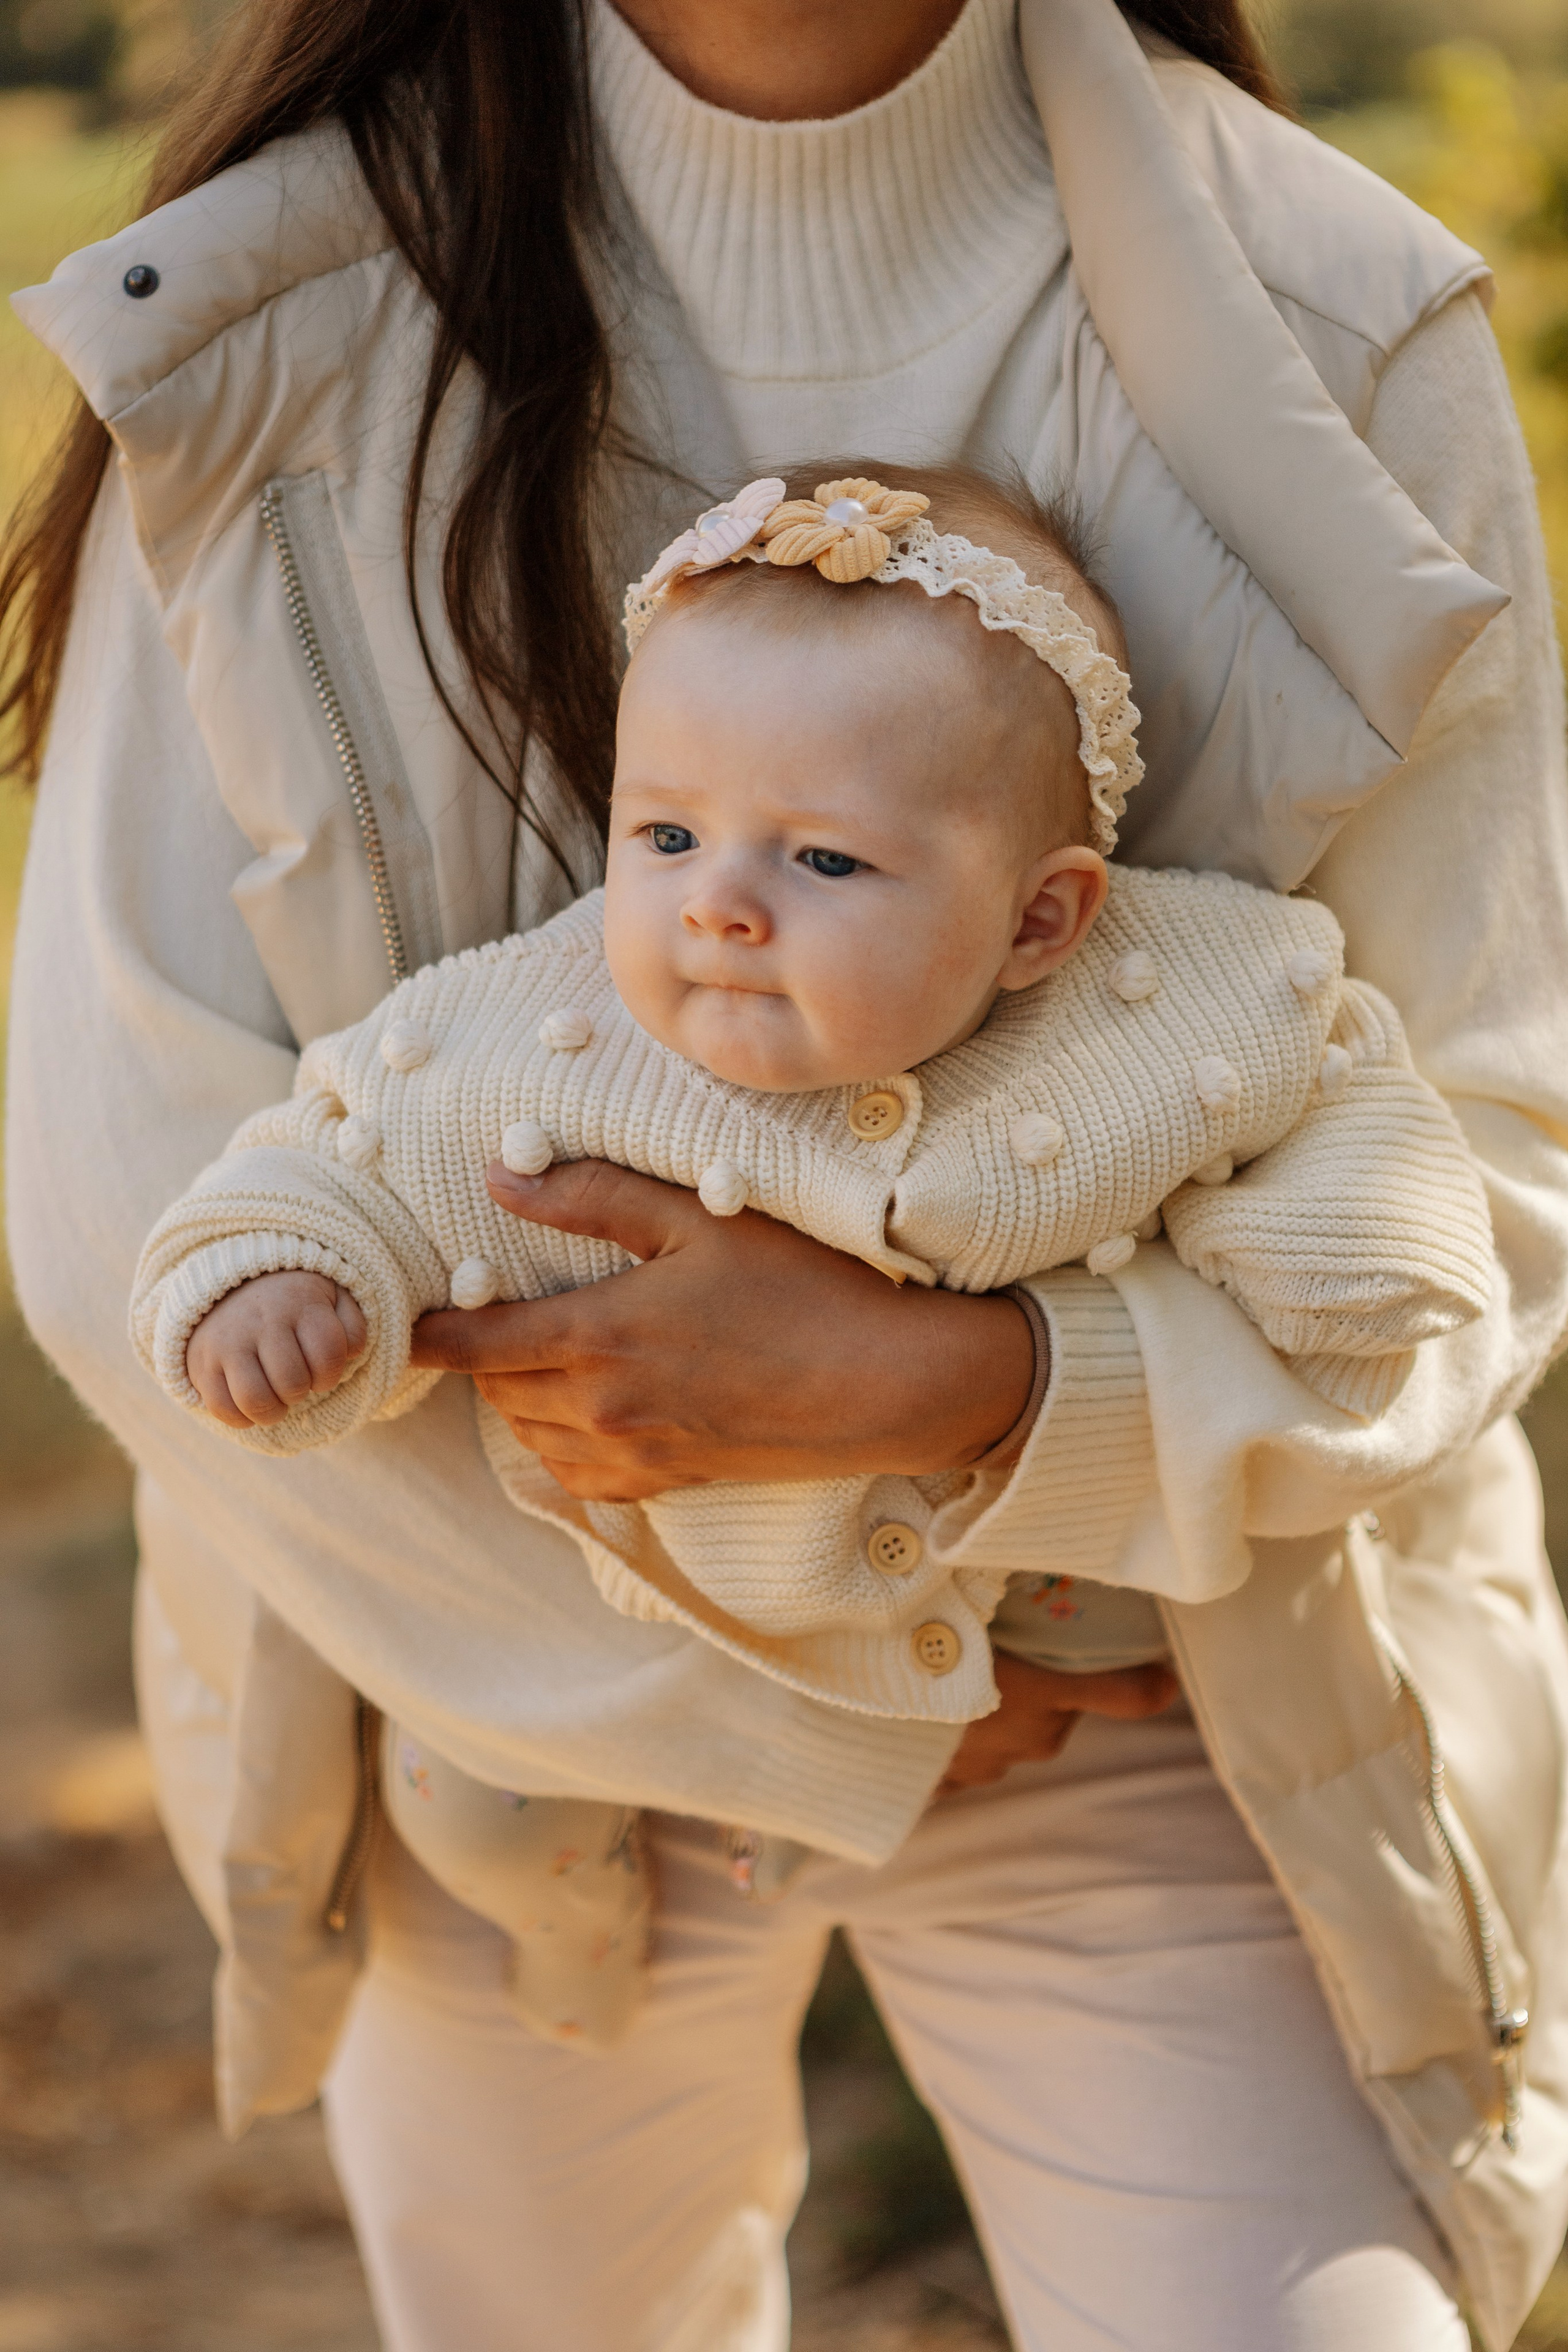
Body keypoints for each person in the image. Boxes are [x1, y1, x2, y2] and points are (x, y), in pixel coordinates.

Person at [5, 0, 1568, 2343]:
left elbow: (1488, 1162)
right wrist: (803, 1699)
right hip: (488, 1711)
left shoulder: (1345, 326)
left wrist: (978, 1393)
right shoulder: (270, 321)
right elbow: (128, 1194)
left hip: (1161, 1687)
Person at [127, 460, 1494, 2051]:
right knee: (486, 1811)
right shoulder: (522, 1043)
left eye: (824, 862)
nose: (720, 908)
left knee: (1147, 1623)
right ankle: (580, 1945)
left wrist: (1346, 1261)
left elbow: (1335, 1088)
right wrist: (290, 1285)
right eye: (668, 833)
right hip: (661, 1614)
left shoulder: (1168, 1003)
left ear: (1044, 923)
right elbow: (334, 1161)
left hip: (1030, 1612)